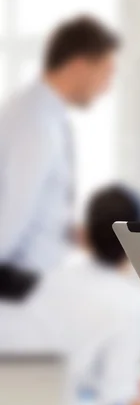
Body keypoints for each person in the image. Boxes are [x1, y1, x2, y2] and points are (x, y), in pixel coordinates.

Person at [0, 184, 140, 405]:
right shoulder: (127, 302)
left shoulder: (51, 279)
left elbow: (60, 360)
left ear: (84, 233)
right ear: (135, 239)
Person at [0, 15, 119, 299]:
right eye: (105, 72)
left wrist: (69, 232)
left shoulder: (41, 114)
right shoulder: (35, 121)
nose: (106, 86)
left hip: (32, 280)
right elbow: (12, 212)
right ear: (79, 66)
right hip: (20, 287)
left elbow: (31, 203)